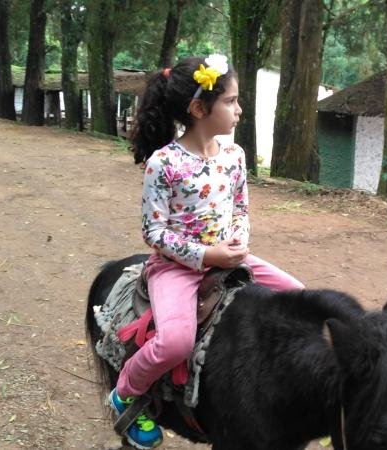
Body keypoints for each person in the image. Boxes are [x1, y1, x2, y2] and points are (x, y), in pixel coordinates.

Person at [108, 55, 305, 450]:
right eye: (231, 101)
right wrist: (207, 256)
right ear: (199, 109)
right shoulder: (164, 163)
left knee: (299, 296)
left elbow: (242, 208)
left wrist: (237, 241)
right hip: (177, 269)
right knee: (176, 341)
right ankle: (125, 392)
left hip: (231, 257)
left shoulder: (234, 156)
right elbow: (154, 230)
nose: (239, 109)